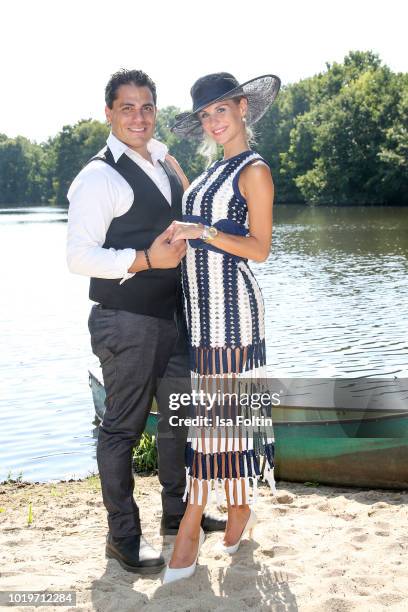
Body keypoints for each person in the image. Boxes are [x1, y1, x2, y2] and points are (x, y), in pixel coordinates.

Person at [66, 69, 225, 575]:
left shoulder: (161, 159)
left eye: (147, 107)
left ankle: (178, 517)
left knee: (179, 423)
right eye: (128, 107)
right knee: (122, 430)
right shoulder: (97, 177)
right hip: (126, 320)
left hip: (171, 319)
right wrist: (145, 259)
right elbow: (79, 257)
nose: (139, 116)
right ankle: (123, 538)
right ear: (109, 113)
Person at [161, 72, 281, 583]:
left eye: (219, 111)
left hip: (232, 311)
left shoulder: (254, 169)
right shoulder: (213, 169)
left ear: (242, 108)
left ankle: (191, 524)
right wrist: (178, 180)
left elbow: (259, 247)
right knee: (224, 418)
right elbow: (210, 214)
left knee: (212, 420)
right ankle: (237, 509)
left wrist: (199, 229)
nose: (212, 121)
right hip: (202, 313)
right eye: (204, 115)